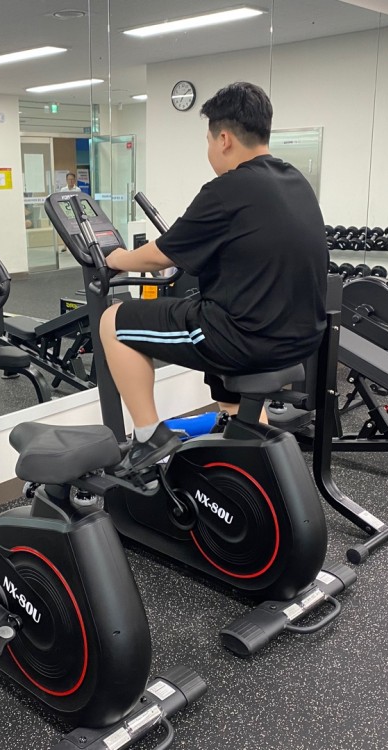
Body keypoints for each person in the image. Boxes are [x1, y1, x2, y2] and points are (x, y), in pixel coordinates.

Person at [98, 82, 328, 475]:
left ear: (224, 139)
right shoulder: (296, 181)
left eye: (208, 141)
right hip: (301, 338)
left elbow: (160, 255)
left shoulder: (228, 188)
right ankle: (254, 461)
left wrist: (117, 258)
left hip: (246, 340)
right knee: (210, 314)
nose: (209, 150)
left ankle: (148, 436)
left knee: (113, 322)